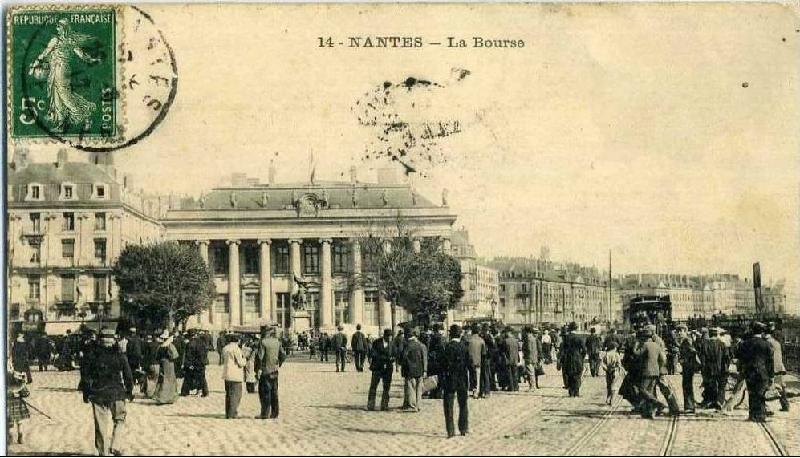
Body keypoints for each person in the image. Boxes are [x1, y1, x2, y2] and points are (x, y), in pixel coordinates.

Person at [81, 328, 133, 456]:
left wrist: (86, 393)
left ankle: (103, 452)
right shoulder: (120, 355)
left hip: (98, 393)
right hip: (117, 392)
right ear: (113, 340)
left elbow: (86, 376)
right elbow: (128, 375)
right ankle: (116, 445)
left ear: (100, 340)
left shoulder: (92, 355)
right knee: (120, 420)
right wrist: (129, 391)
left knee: (101, 425)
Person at [736, 322, 774, 422]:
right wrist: (771, 375)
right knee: (761, 393)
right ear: (762, 332)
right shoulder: (766, 344)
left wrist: (741, 371)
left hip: (749, 371)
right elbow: (770, 361)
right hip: (763, 372)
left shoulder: (745, 343)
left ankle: (752, 415)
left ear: (752, 331)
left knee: (752, 393)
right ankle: (761, 415)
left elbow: (740, 358)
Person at [441, 324, 470, 438]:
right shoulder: (464, 347)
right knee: (463, 404)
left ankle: (450, 430)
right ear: (460, 334)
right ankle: (463, 428)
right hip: (462, 379)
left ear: (450, 334)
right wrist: (473, 382)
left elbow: (442, 364)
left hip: (450, 379)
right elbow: (470, 364)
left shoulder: (447, 347)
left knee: (448, 405)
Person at [634, 328, 667, 419]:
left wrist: (636, 345)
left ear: (644, 337)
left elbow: (636, 353)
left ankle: (658, 403)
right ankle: (650, 412)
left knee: (642, 390)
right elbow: (663, 359)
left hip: (646, 371)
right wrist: (659, 367)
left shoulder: (645, 345)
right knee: (650, 391)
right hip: (656, 371)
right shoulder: (657, 345)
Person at [255, 326, 286, 419]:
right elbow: (283, 356)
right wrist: (278, 364)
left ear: (265, 333)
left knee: (265, 393)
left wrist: (258, 370)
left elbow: (260, 357)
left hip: (265, 371)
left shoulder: (263, 342)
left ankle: (264, 413)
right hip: (274, 371)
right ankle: (275, 413)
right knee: (274, 392)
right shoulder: (277, 342)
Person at [367, 329, 395, 411]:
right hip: (377, 368)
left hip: (388, 369)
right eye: (389, 336)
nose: (390, 338)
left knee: (386, 387)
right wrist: (383, 358)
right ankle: (371, 404)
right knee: (373, 386)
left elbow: (395, 353)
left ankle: (384, 405)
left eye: (391, 336)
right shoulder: (377, 342)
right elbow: (373, 353)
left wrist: (393, 358)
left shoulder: (392, 344)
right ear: (385, 336)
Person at [702, 328, 729, 410]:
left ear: (710, 334)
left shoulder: (705, 344)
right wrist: (726, 367)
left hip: (709, 368)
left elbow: (703, 358)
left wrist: (703, 368)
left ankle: (710, 401)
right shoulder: (722, 344)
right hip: (720, 368)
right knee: (721, 385)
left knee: (710, 385)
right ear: (717, 334)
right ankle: (720, 402)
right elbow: (727, 357)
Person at [402, 328, 428, 412]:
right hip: (420, 370)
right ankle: (418, 405)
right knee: (419, 388)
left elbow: (404, 357)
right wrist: (425, 370)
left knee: (411, 387)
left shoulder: (408, 345)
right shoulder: (422, 345)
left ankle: (412, 404)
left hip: (410, 370)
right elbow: (425, 359)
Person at [221, 333, 246, 419]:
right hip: (235, 374)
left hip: (227, 373)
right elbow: (240, 362)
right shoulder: (236, 349)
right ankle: (232, 413)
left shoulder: (225, 348)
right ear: (237, 340)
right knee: (236, 395)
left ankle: (228, 412)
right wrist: (245, 359)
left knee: (228, 394)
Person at [765, 327, 790, 412]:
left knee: (766, 388)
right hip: (780, 367)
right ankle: (785, 405)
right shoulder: (776, 342)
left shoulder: (768, 342)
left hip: (772, 368)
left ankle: (767, 408)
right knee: (781, 387)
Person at [152, 330, 179, 405]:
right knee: (170, 380)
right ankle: (169, 397)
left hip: (162, 364)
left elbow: (157, 357)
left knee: (162, 380)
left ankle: (161, 397)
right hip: (170, 364)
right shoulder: (170, 346)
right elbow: (175, 356)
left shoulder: (160, 347)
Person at [560, 322, 587, 397]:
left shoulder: (566, 338)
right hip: (577, 358)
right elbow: (584, 350)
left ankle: (571, 391)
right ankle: (576, 391)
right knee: (577, 374)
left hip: (568, 358)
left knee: (569, 374)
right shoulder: (579, 338)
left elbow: (563, 349)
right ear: (576, 328)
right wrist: (581, 357)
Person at [181, 330, 210, 397]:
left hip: (194, 363)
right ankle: (204, 392)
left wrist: (189, 364)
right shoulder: (202, 342)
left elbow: (189, 355)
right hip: (201, 362)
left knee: (188, 377)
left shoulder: (190, 344)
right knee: (202, 377)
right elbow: (205, 352)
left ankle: (185, 391)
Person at [678, 325, 700, 413]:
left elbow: (693, 352)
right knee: (686, 385)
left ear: (685, 331)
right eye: (678, 331)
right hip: (687, 367)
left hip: (688, 367)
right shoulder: (685, 341)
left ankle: (690, 407)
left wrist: (684, 360)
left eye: (681, 331)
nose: (679, 333)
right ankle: (689, 406)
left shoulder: (687, 341)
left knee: (687, 386)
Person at [6, 370, 30, 445]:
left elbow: (26, 393)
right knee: (18, 421)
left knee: (11, 421)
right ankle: (18, 436)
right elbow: (26, 393)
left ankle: (14, 437)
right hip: (16, 404)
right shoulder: (20, 383)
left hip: (10, 404)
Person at [465, 325, 486, 398]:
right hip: (478, 361)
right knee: (477, 377)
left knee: (468, 377)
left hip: (468, 361)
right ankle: (476, 392)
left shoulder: (467, 340)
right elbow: (484, 353)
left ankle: (467, 392)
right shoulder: (481, 340)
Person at [522, 327, 542, 391]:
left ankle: (532, 387)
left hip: (529, 358)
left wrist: (526, 356)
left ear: (526, 331)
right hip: (534, 358)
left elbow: (529, 349)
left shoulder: (528, 338)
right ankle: (533, 386)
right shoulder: (533, 338)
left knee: (530, 373)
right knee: (532, 372)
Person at [502, 327, 520, 391]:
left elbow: (503, 351)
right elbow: (519, 349)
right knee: (515, 373)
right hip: (515, 359)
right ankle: (516, 387)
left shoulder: (505, 341)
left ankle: (511, 387)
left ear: (508, 332)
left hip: (508, 359)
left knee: (509, 374)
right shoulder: (516, 340)